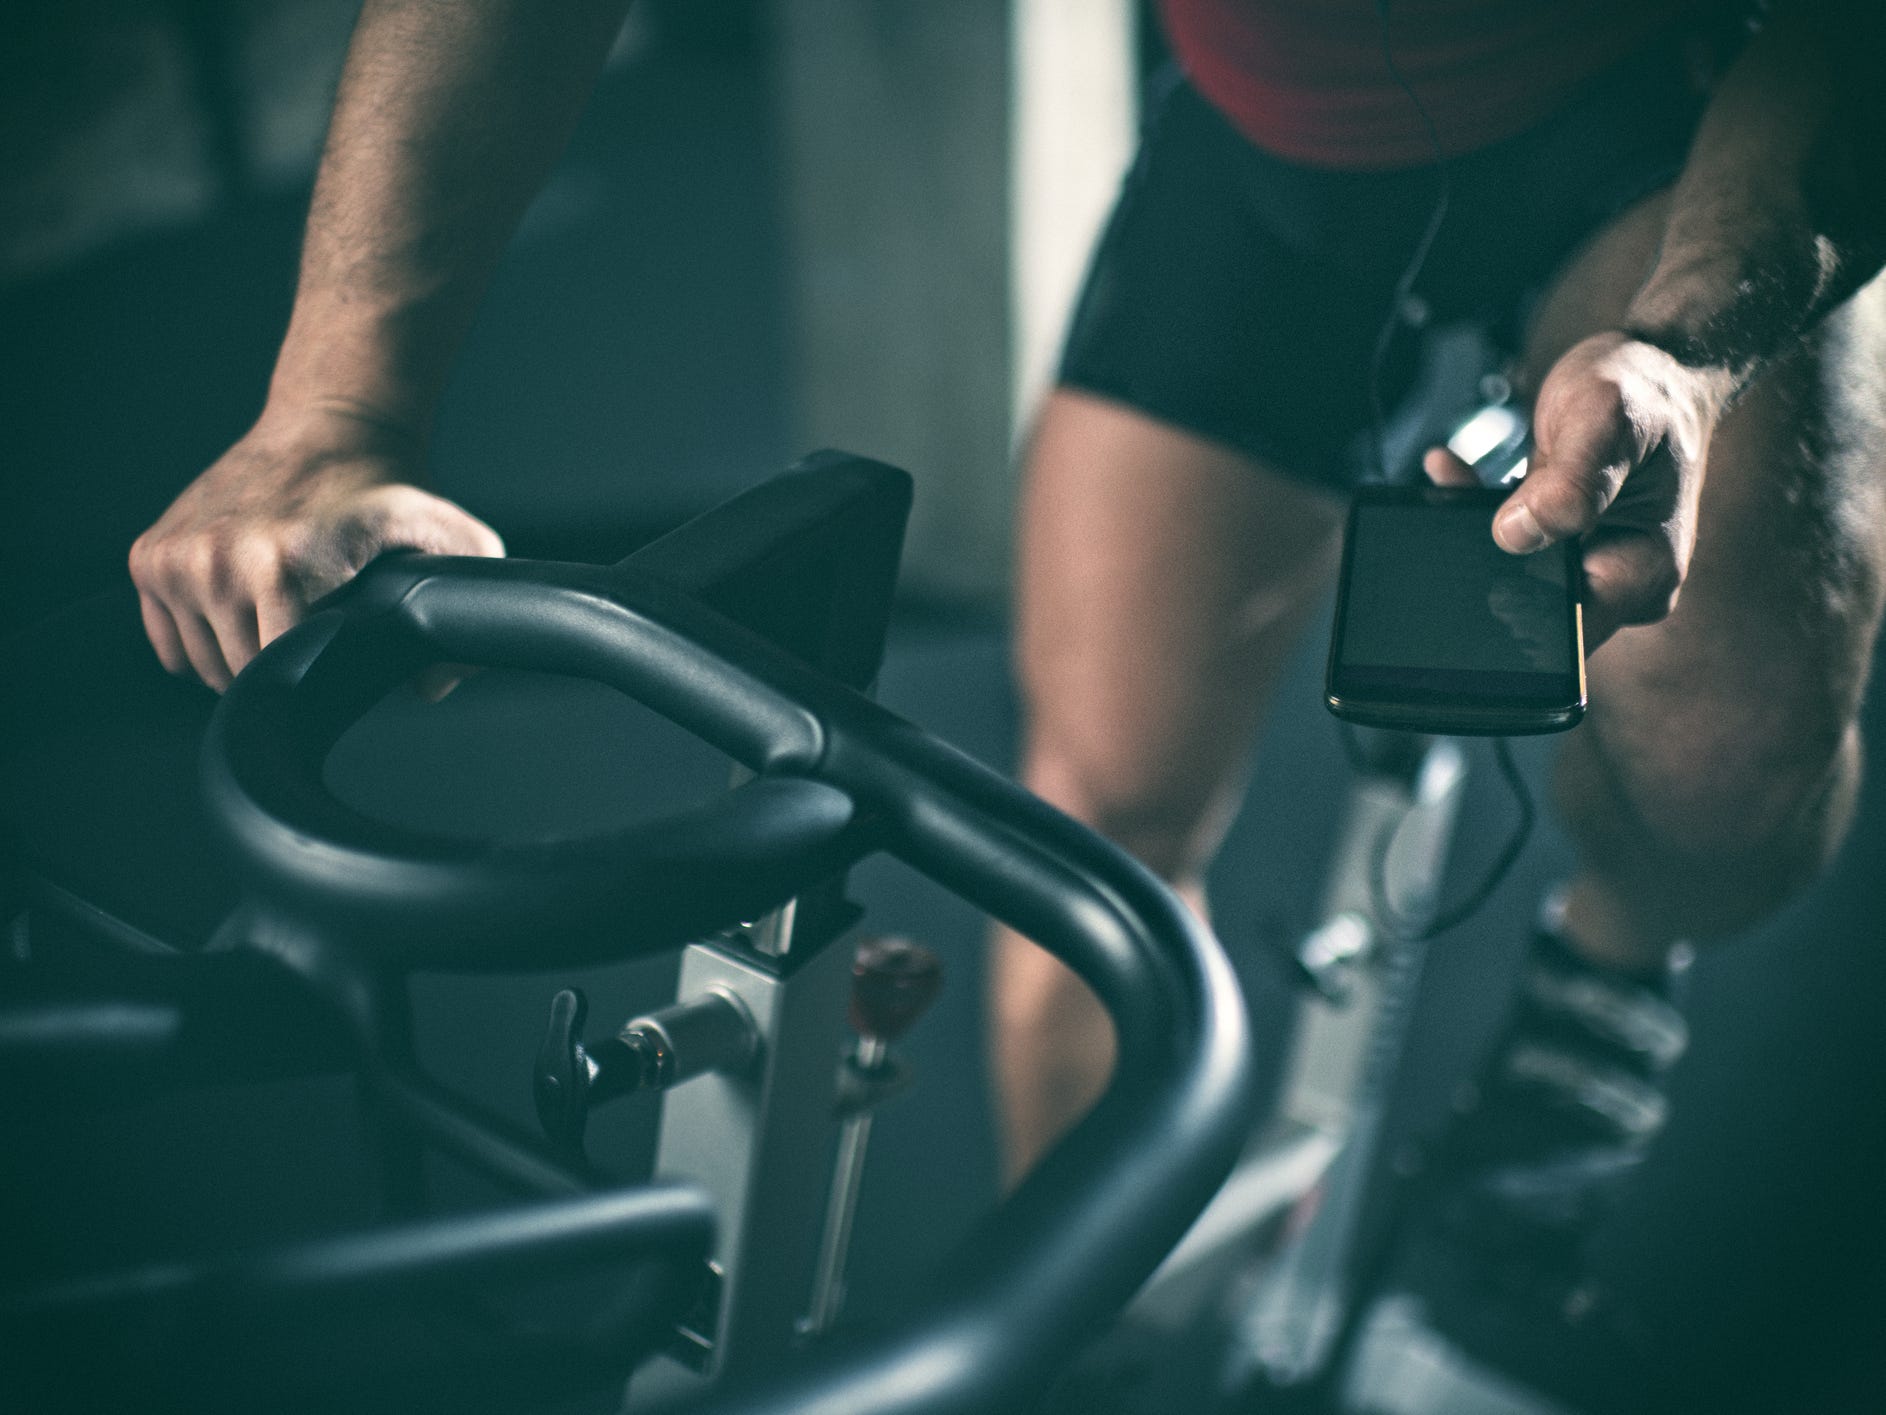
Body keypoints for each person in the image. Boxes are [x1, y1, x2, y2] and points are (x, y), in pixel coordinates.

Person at [126, 0, 1885, 1402]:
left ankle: (1585, 1031)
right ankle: (1094, 1333)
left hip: (1685, 116)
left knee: (1719, 762)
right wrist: (336, 414)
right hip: (1269, 141)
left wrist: (1690, 349)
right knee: (1086, 815)